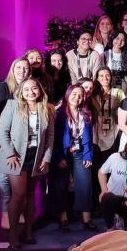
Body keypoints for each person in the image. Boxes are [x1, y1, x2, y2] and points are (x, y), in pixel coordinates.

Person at [0, 78, 55, 248]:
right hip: (16, 157)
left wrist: (46, 158)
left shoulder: (47, 108)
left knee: (30, 195)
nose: (30, 92)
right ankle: (13, 235)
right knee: (19, 195)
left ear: (40, 89)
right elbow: (2, 132)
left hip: (36, 156)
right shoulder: (12, 106)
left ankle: (28, 232)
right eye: (26, 89)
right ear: (21, 91)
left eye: (34, 88)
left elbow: (50, 137)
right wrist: (10, 153)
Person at [50, 85, 96, 232]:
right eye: (74, 94)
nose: (77, 97)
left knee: (85, 183)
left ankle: (86, 219)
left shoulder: (86, 114)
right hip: (62, 153)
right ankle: (63, 218)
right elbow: (52, 138)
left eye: (80, 95)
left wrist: (88, 155)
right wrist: (58, 157)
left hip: (80, 153)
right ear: (68, 95)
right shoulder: (58, 113)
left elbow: (89, 138)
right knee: (61, 185)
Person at [91, 67, 125, 156]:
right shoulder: (93, 94)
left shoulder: (118, 92)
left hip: (114, 130)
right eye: (101, 76)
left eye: (107, 75)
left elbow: (124, 111)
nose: (105, 78)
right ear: (97, 78)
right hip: (96, 130)